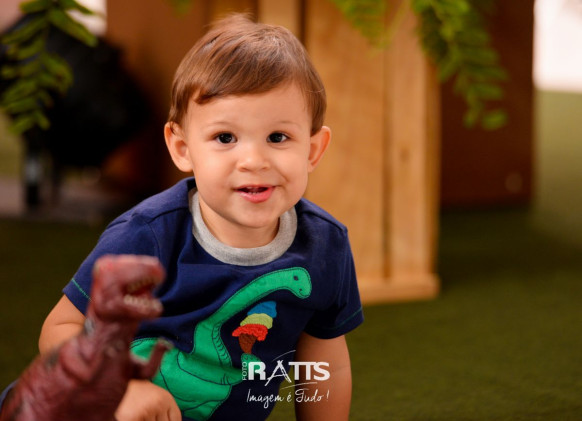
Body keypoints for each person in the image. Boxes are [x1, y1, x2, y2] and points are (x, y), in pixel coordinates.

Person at [37, 14, 363, 421]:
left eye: (278, 137)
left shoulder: (326, 246)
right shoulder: (146, 236)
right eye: (225, 138)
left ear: (312, 150)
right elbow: (60, 330)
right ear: (183, 148)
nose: (253, 161)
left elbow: (325, 363)